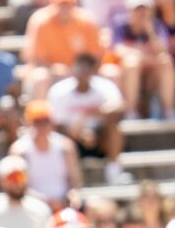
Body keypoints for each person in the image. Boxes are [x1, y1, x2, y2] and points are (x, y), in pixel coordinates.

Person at [46, 53, 127, 184]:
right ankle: (64, 178)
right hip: (71, 138)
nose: (83, 73)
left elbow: (120, 109)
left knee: (114, 129)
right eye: (80, 68)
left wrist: (94, 115)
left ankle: (114, 173)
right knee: (57, 137)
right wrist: (76, 134)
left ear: (94, 70)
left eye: (87, 69)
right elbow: (55, 123)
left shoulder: (105, 87)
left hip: (99, 138)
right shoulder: (59, 91)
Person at [24, 0, 104, 100]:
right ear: (52, 1)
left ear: (75, 1)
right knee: (41, 77)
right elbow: (35, 59)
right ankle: (41, 116)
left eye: (68, 2)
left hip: (84, 73)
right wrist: (53, 68)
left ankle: (128, 113)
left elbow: (96, 56)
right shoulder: (40, 21)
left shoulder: (87, 21)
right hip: (52, 74)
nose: (64, 7)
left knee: (111, 72)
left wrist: (80, 71)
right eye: (60, 2)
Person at [111, 0, 175, 121]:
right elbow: (118, 50)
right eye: (137, 9)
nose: (141, 13)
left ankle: (169, 110)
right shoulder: (120, 25)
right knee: (132, 63)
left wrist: (150, 31)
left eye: (144, 9)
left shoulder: (156, 25)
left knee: (166, 62)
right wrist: (143, 56)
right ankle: (130, 111)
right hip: (126, 73)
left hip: (151, 76)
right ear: (129, 11)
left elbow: (163, 50)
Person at [7, 100, 81, 207]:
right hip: (32, 206)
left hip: (64, 204)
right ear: (28, 122)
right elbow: (18, 186)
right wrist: (45, 202)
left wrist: (72, 196)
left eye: (45, 121)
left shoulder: (65, 147)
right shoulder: (19, 150)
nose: (42, 125)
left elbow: (74, 182)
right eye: (37, 121)